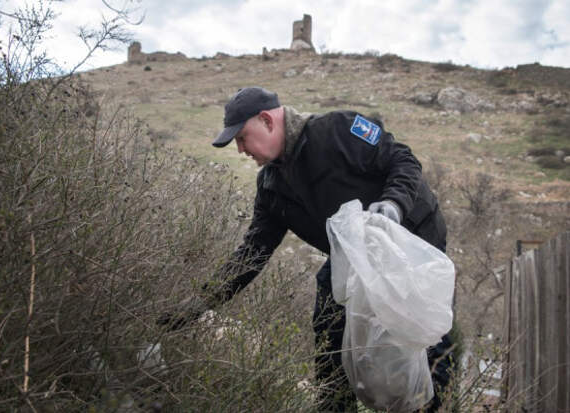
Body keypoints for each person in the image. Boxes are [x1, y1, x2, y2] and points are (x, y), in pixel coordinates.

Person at [165, 87, 455, 412]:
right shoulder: (271, 188)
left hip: (413, 236)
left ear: (266, 121)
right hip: (353, 254)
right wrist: (197, 305)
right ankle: (334, 406)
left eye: (242, 138)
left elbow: (403, 159)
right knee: (330, 321)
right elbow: (252, 255)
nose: (240, 149)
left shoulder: (338, 129)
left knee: (422, 335)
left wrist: (393, 204)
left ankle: (432, 406)